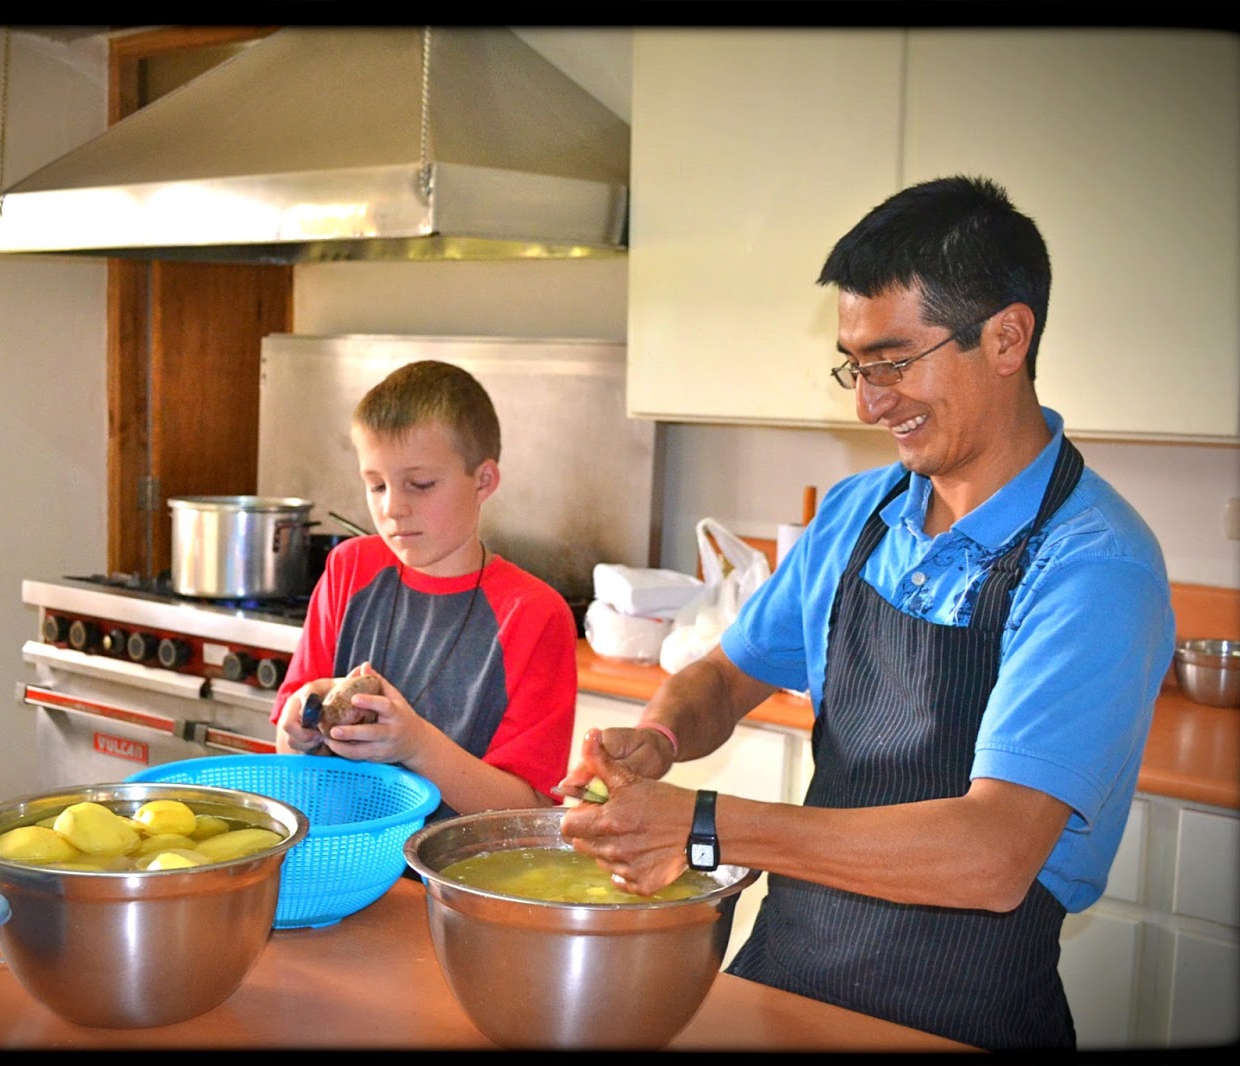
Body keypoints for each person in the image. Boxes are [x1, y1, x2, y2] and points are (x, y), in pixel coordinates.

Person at [557, 175, 1175, 1051]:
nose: (868, 401)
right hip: (788, 980)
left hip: (961, 1019)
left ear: (1007, 337)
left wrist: (701, 825)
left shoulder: (1095, 567)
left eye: (893, 361)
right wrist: (658, 737)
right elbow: (726, 676)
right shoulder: (857, 515)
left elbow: (994, 855)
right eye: (856, 364)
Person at [271, 359, 579, 820]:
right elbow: (286, 747)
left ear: (483, 481)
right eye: (376, 485)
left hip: (454, 864)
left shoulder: (534, 614)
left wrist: (416, 745)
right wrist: (301, 722)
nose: (393, 508)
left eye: (420, 484)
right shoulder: (348, 569)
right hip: (344, 850)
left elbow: (529, 812)